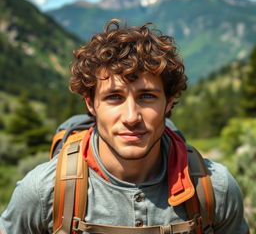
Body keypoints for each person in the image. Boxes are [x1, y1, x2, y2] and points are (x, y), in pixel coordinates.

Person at [0, 19, 249, 234]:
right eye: (114, 97)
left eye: (147, 96)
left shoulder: (215, 188)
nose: (131, 116)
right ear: (91, 104)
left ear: (169, 102)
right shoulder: (43, 191)